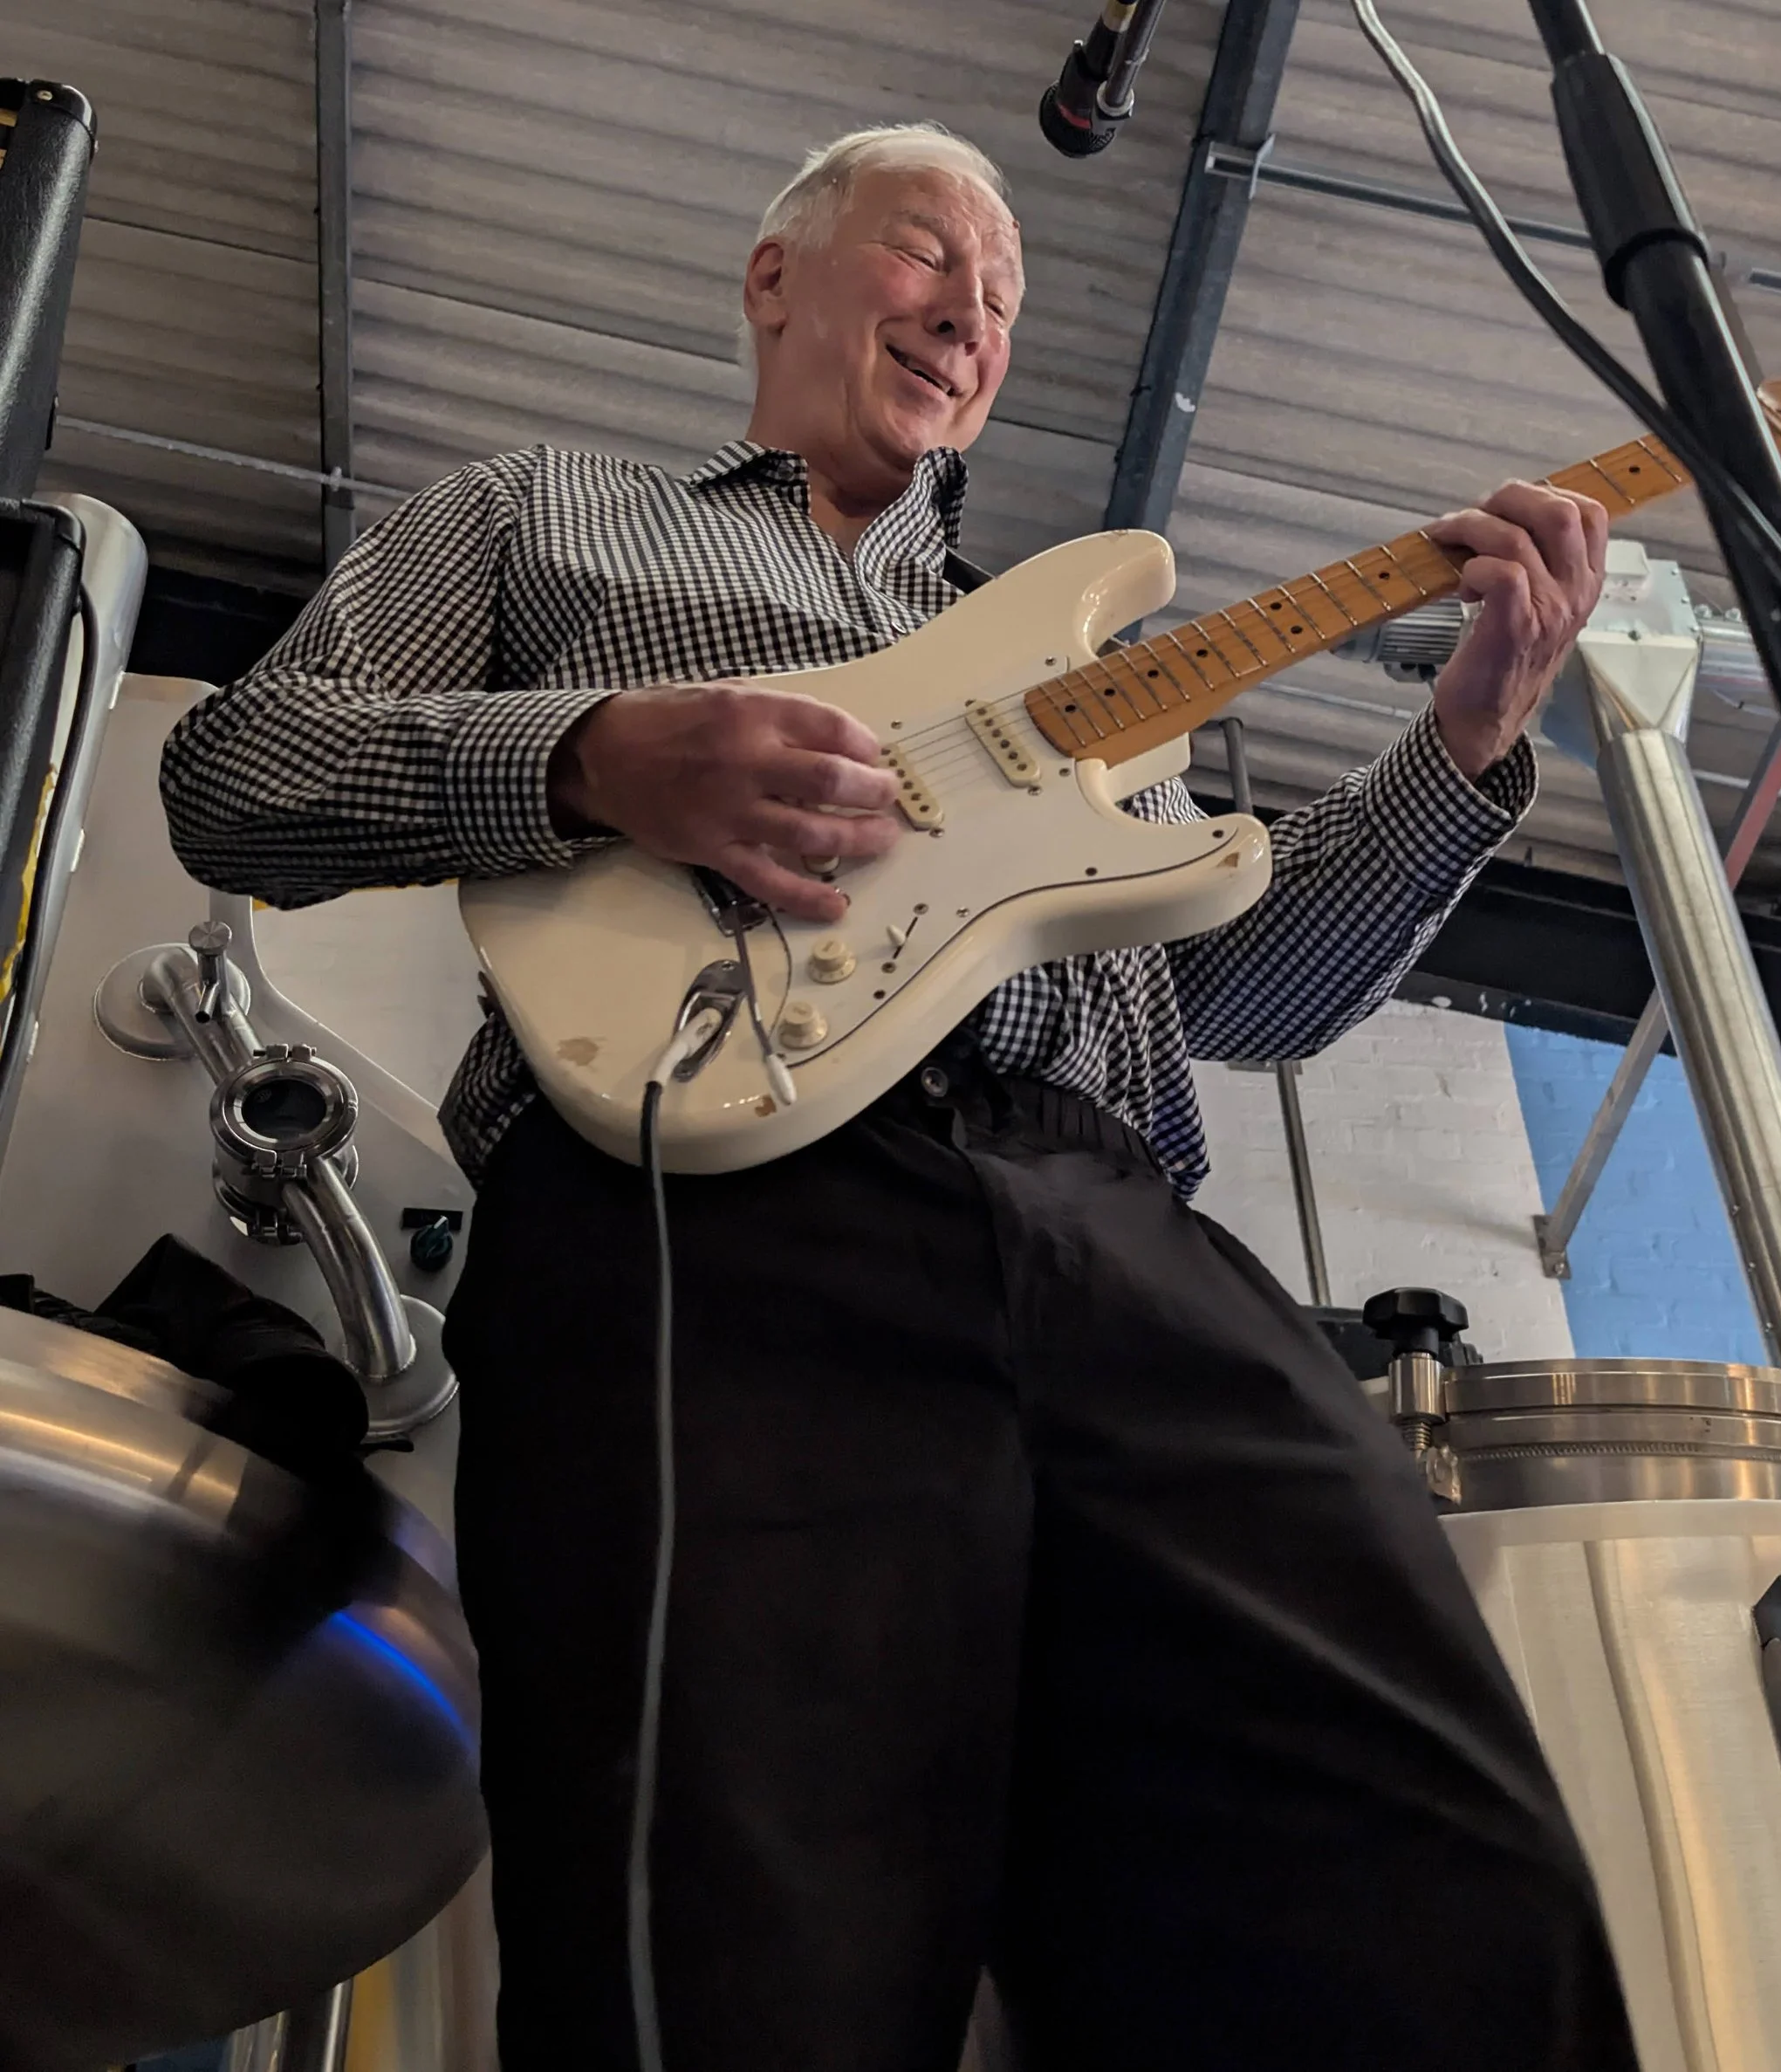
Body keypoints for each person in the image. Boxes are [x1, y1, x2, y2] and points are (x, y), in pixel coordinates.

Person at [161, 123, 1633, 2072]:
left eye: (1005, 305)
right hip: (704, 1223)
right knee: (738, 1937)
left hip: (1121, 1237)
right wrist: (597, 753)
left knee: (1436, 1884)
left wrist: (1462, 740)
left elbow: (1250, 993)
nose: (972, 314)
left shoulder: (1090, 647)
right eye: (931, 253)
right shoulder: (547, 513)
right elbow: (240, 772)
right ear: (777, 276)